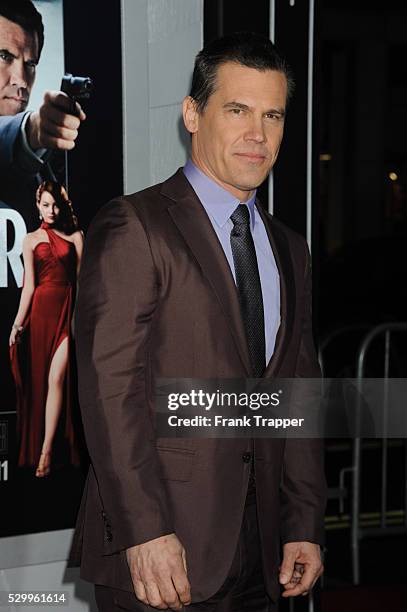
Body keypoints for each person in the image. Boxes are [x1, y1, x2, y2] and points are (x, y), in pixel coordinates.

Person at [69, 32, 326, 611]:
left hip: (263, 553)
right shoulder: (136, 225)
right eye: (237, 110)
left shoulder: (291, 249)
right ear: (193, 114)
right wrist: (144, 531)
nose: (257, 135)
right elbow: (111, 394)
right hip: (164, 549)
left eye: (273, 116)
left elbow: (297, 393)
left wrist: (304, 519)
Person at [9, 180, 84, 477]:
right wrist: (17, 323)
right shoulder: (29, 240)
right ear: (37, 205)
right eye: (45, 205)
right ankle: (42, 449)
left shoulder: (77, 236)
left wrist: (77, 323)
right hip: (40, 315)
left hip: (67, 314)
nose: (51, 210)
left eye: (55, 204)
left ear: (62, 205)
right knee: (40, 383)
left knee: (56, 379)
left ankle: (47, 452)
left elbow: (82, 285)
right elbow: (29, 288)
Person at [0, 0, 85, 230]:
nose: (21, 79)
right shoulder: (28, 134)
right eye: (4, 56)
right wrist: (35, 129)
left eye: (30, 64)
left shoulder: (47, 162)